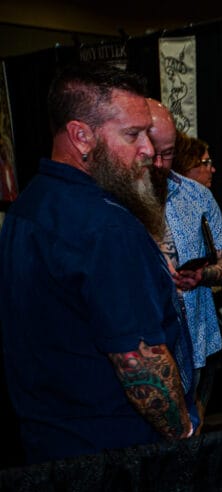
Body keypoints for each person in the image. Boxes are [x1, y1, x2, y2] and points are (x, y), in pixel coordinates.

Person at [0, 63, 193, 462]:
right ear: (81, 136)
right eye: (132, 134)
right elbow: (137, 360)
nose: (148, 150)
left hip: (46, 445)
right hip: (114, 459)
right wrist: (184, 430)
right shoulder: (105, 227)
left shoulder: (32, 202)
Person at [147, 99, 222, 424]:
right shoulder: (116, 198)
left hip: (199, 335)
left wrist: (203, 274)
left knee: (193, 426)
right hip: (147, 341)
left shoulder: (197, 196)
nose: (157, 162)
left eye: (166, 153)